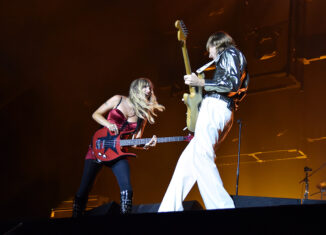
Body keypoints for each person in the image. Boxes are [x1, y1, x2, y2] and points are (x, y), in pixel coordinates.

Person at [158, 31, 249, 212]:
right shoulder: (230, 57)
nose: (210, 54)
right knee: (187, 163)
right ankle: (168, 209)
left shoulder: (229, 53)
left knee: (202, 157)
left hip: (216, 107)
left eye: (210, 49)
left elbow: (230, 85)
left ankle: (222, 207)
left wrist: (201, 83)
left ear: (216, 44)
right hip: (220, 109)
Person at [73, 78, 165, 217]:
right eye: (145, 87)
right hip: (99, 146)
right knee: (84, 189)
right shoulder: (118, 99)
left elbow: (135, 141)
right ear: (136, 89)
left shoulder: (143, 115)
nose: (149, 91)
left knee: (127, 190)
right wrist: (108, 124)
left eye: (150, 88)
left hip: (118, 152)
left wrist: (145, 145)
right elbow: (95, 114)